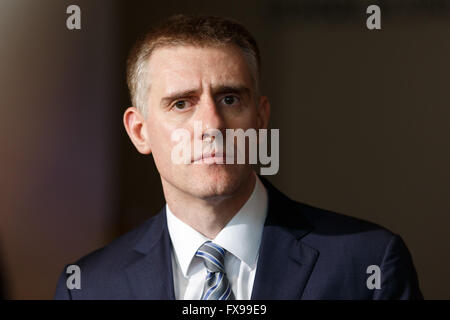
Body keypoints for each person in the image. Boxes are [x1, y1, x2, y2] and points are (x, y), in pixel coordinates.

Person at [54, 14, 422, 300]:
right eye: (181, 103)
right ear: (140, 131)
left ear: (260, 118)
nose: (211, 124)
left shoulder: (368, 265)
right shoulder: (88, 286)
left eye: (230, 99)